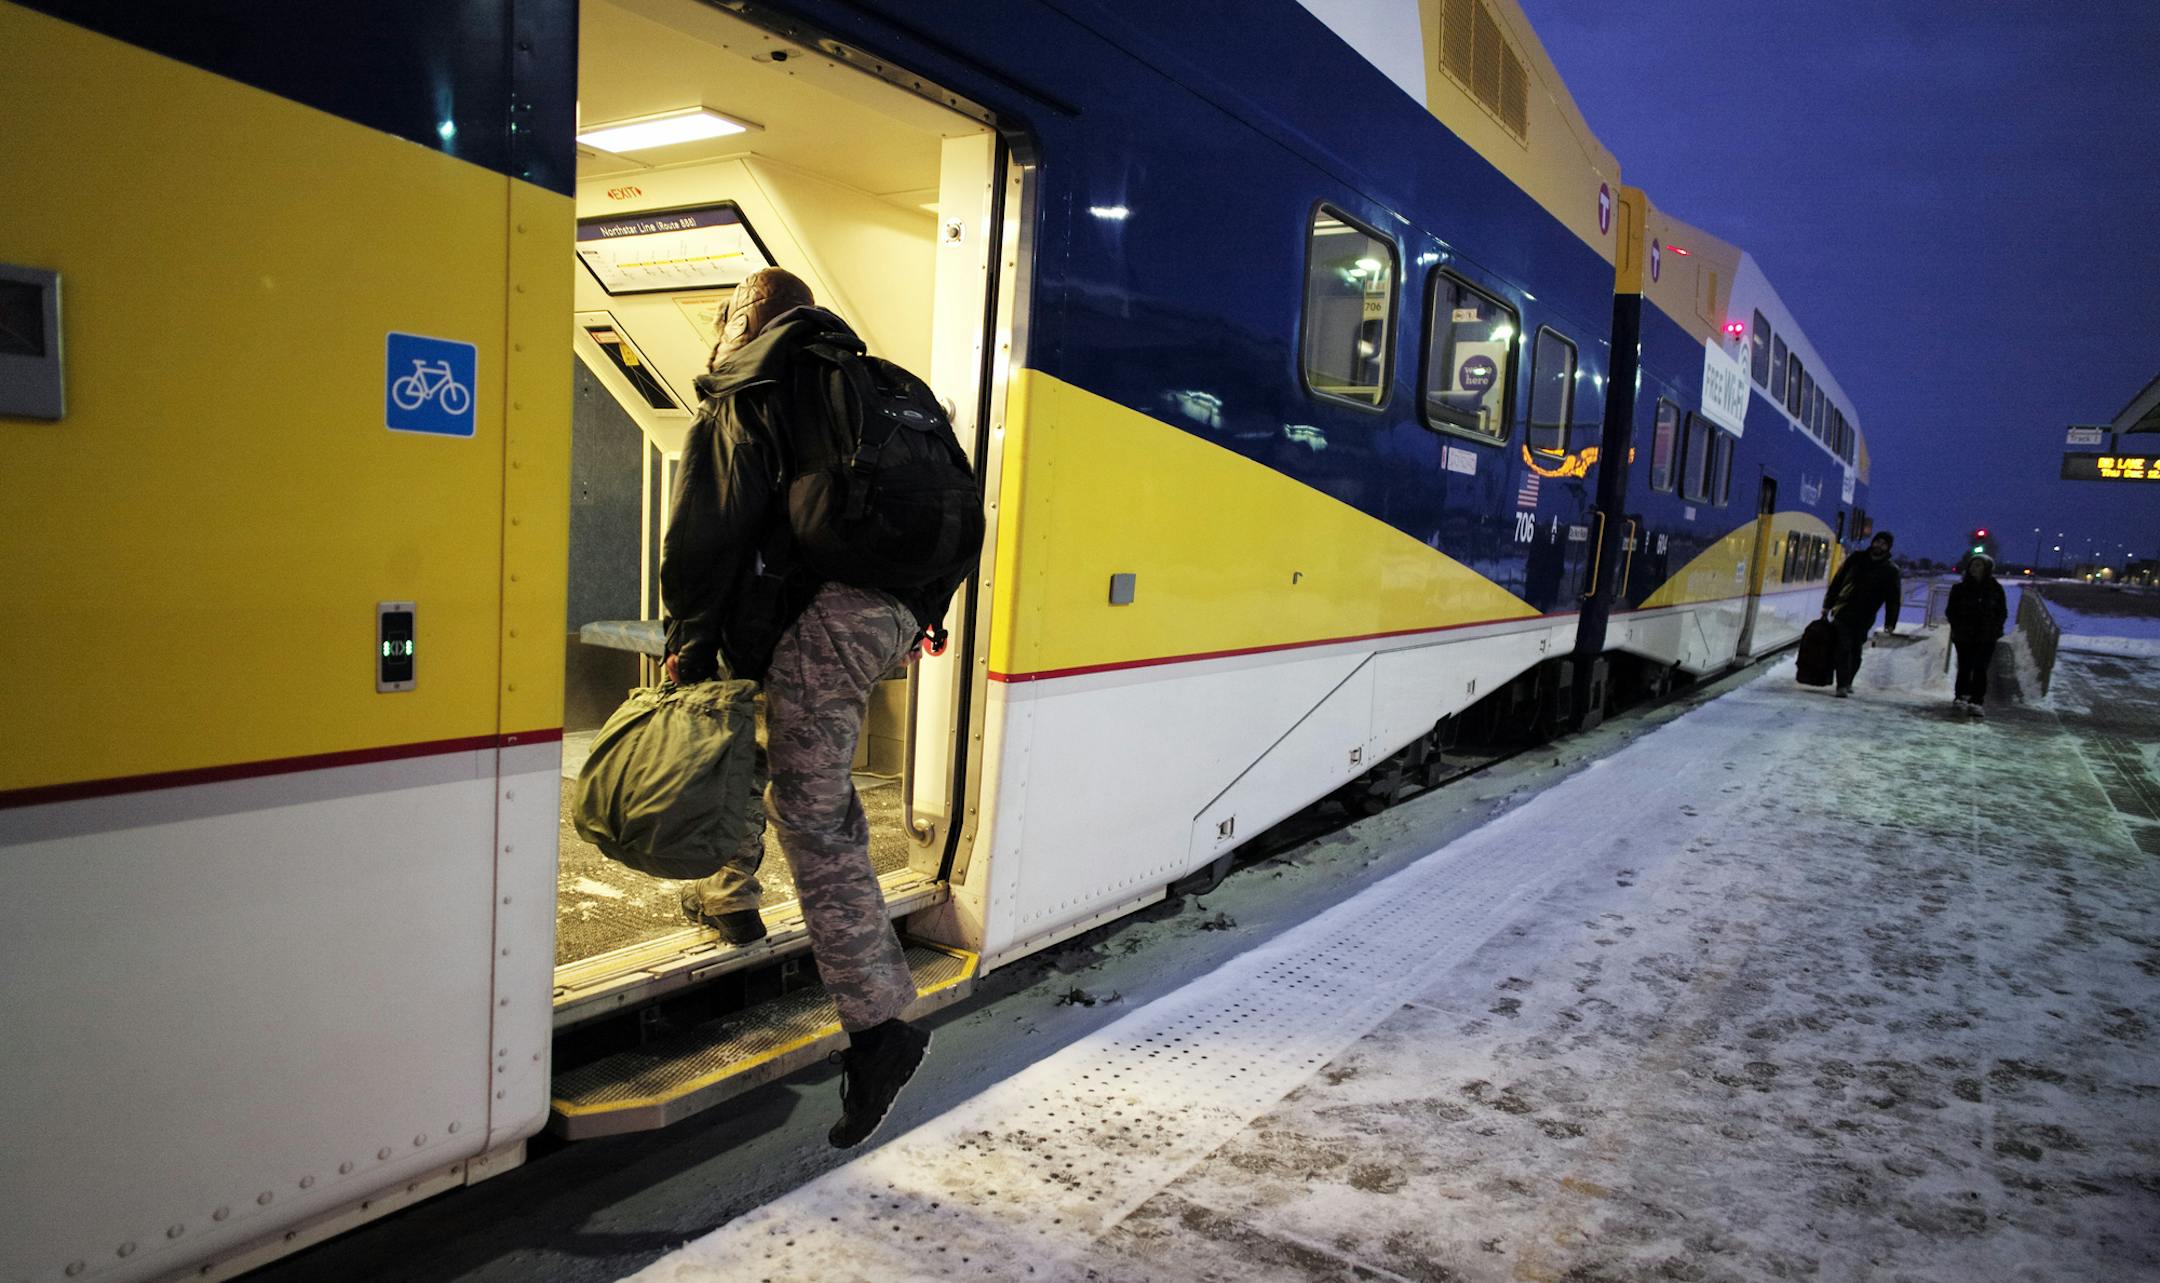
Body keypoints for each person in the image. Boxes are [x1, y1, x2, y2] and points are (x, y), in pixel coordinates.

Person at [658, 267, 935, 1149]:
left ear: (744, 319)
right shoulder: (875, 382)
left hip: (821, 619)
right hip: (882, 613)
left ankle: (881, 1028)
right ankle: (729, 890)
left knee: (813, 818)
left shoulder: (750, 391)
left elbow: (708, 533)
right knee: (763, 750)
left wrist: (688, 642)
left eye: (725, 315)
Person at [1820, 531, 1902, 697]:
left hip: (1866, 616)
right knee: (1842, 647)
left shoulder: (1890, 570)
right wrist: (1828, 605)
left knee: (1855, 650)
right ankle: (1842, 685)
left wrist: (1890, 622)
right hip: (1843, 610)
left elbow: (1893, 598)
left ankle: (1848, 680)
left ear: (1888, 547)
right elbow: (1838, 580)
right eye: (1877, 542)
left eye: (1883, 544)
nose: (1879, 546)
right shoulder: (1856, 559)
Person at [1944, 553, 2007, 716]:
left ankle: (1977, 700)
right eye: (1973, 565)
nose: (1975, 568)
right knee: (1964, 666)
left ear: (1987, 569)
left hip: (1986, 636)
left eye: (1979, 565)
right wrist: (1957, 626)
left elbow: (2002, 612)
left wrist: (1995, 629)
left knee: (1981, 668)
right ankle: (1961, 696)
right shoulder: (1960, 589)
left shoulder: (1995, 589)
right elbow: (1951, 611)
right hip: (1964, 635)